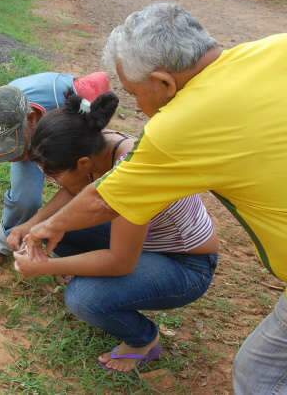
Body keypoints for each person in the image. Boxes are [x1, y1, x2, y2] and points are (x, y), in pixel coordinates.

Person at [21, 3, 287, 393]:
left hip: (187, 265)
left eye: (133, 93)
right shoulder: (274, 48)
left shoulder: (174, 130)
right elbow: (86, 195)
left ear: (164, 82)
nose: (138, 108)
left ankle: (141, 339)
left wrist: (40, 253)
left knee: (260, 375)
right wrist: (41, 226)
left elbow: (103, 206)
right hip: (164, 247)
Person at [12, 89, 218, 372]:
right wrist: (32, 225)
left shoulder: (132, 175)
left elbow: (120, 261)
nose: (52, 181)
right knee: (57, 229)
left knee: (83, 298)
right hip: (145, 241)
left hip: (186, 265)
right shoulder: (96, 145)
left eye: (54, 174)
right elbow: (78, 193)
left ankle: (143, 340)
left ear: (82, 163)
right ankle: (97, 282)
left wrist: (45, 266)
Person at [0, 71, 110, 304]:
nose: (13, 159)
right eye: (2, 153)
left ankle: (73, 257)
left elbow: (84, 183)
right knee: (26, 199)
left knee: (82, 185)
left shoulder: (70, 100)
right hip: (36, 137)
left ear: (32, 118)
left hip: (56, 132)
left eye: (15, 149)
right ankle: (7, 243)